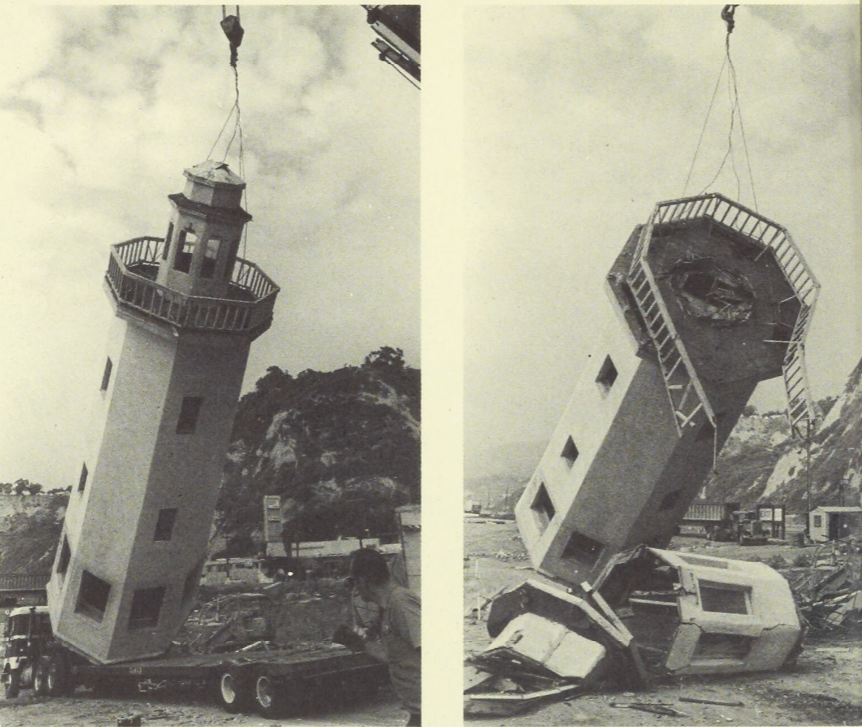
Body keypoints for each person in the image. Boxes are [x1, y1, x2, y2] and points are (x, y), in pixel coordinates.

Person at [337, 547, 421, 726]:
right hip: (417, 712)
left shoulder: (401, 603)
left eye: (354, 582)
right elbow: (395, 659)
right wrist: (359, 644)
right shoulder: (387, 608)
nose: (355, 590)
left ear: (364, 581)